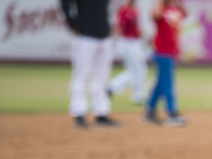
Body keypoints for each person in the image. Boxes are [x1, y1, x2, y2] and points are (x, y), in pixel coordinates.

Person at [60, 0, 120, 128]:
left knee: (102, 76)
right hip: (85, 35)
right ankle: (79, 112)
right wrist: (72, 23)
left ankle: (101, 113)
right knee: (81, 74)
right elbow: (65, 3)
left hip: (104, 34)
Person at [144, 0, 187, 127]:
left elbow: (185, 13)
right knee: (167, 83)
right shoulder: (161, 10)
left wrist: (178, 4)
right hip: (161, 51)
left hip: (171, 51)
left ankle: (149, 111)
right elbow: (155, 14)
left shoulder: (174, 10)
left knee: (161, 83)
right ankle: (171, 113)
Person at [107, 0, 148, 105]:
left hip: (135, 41)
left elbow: (138, 28)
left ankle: (112, 87)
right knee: (138, 69)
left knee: (137, 70)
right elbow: (119, 27)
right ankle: (137, 96)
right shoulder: (124, 10)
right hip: (127, 41)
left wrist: (144, 38)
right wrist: (111, 41)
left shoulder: (135, 9)